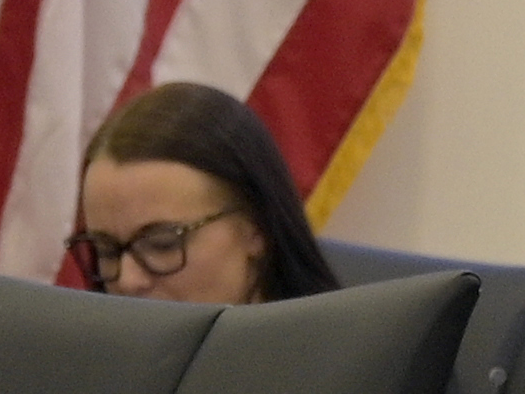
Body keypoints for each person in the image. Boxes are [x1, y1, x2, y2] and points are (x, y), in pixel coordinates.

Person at [68, 81, 346, 302]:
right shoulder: (81, 353)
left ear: (257, 228)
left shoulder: (350, 354)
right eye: (106, 251)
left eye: (162, 244)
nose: (128, 281)